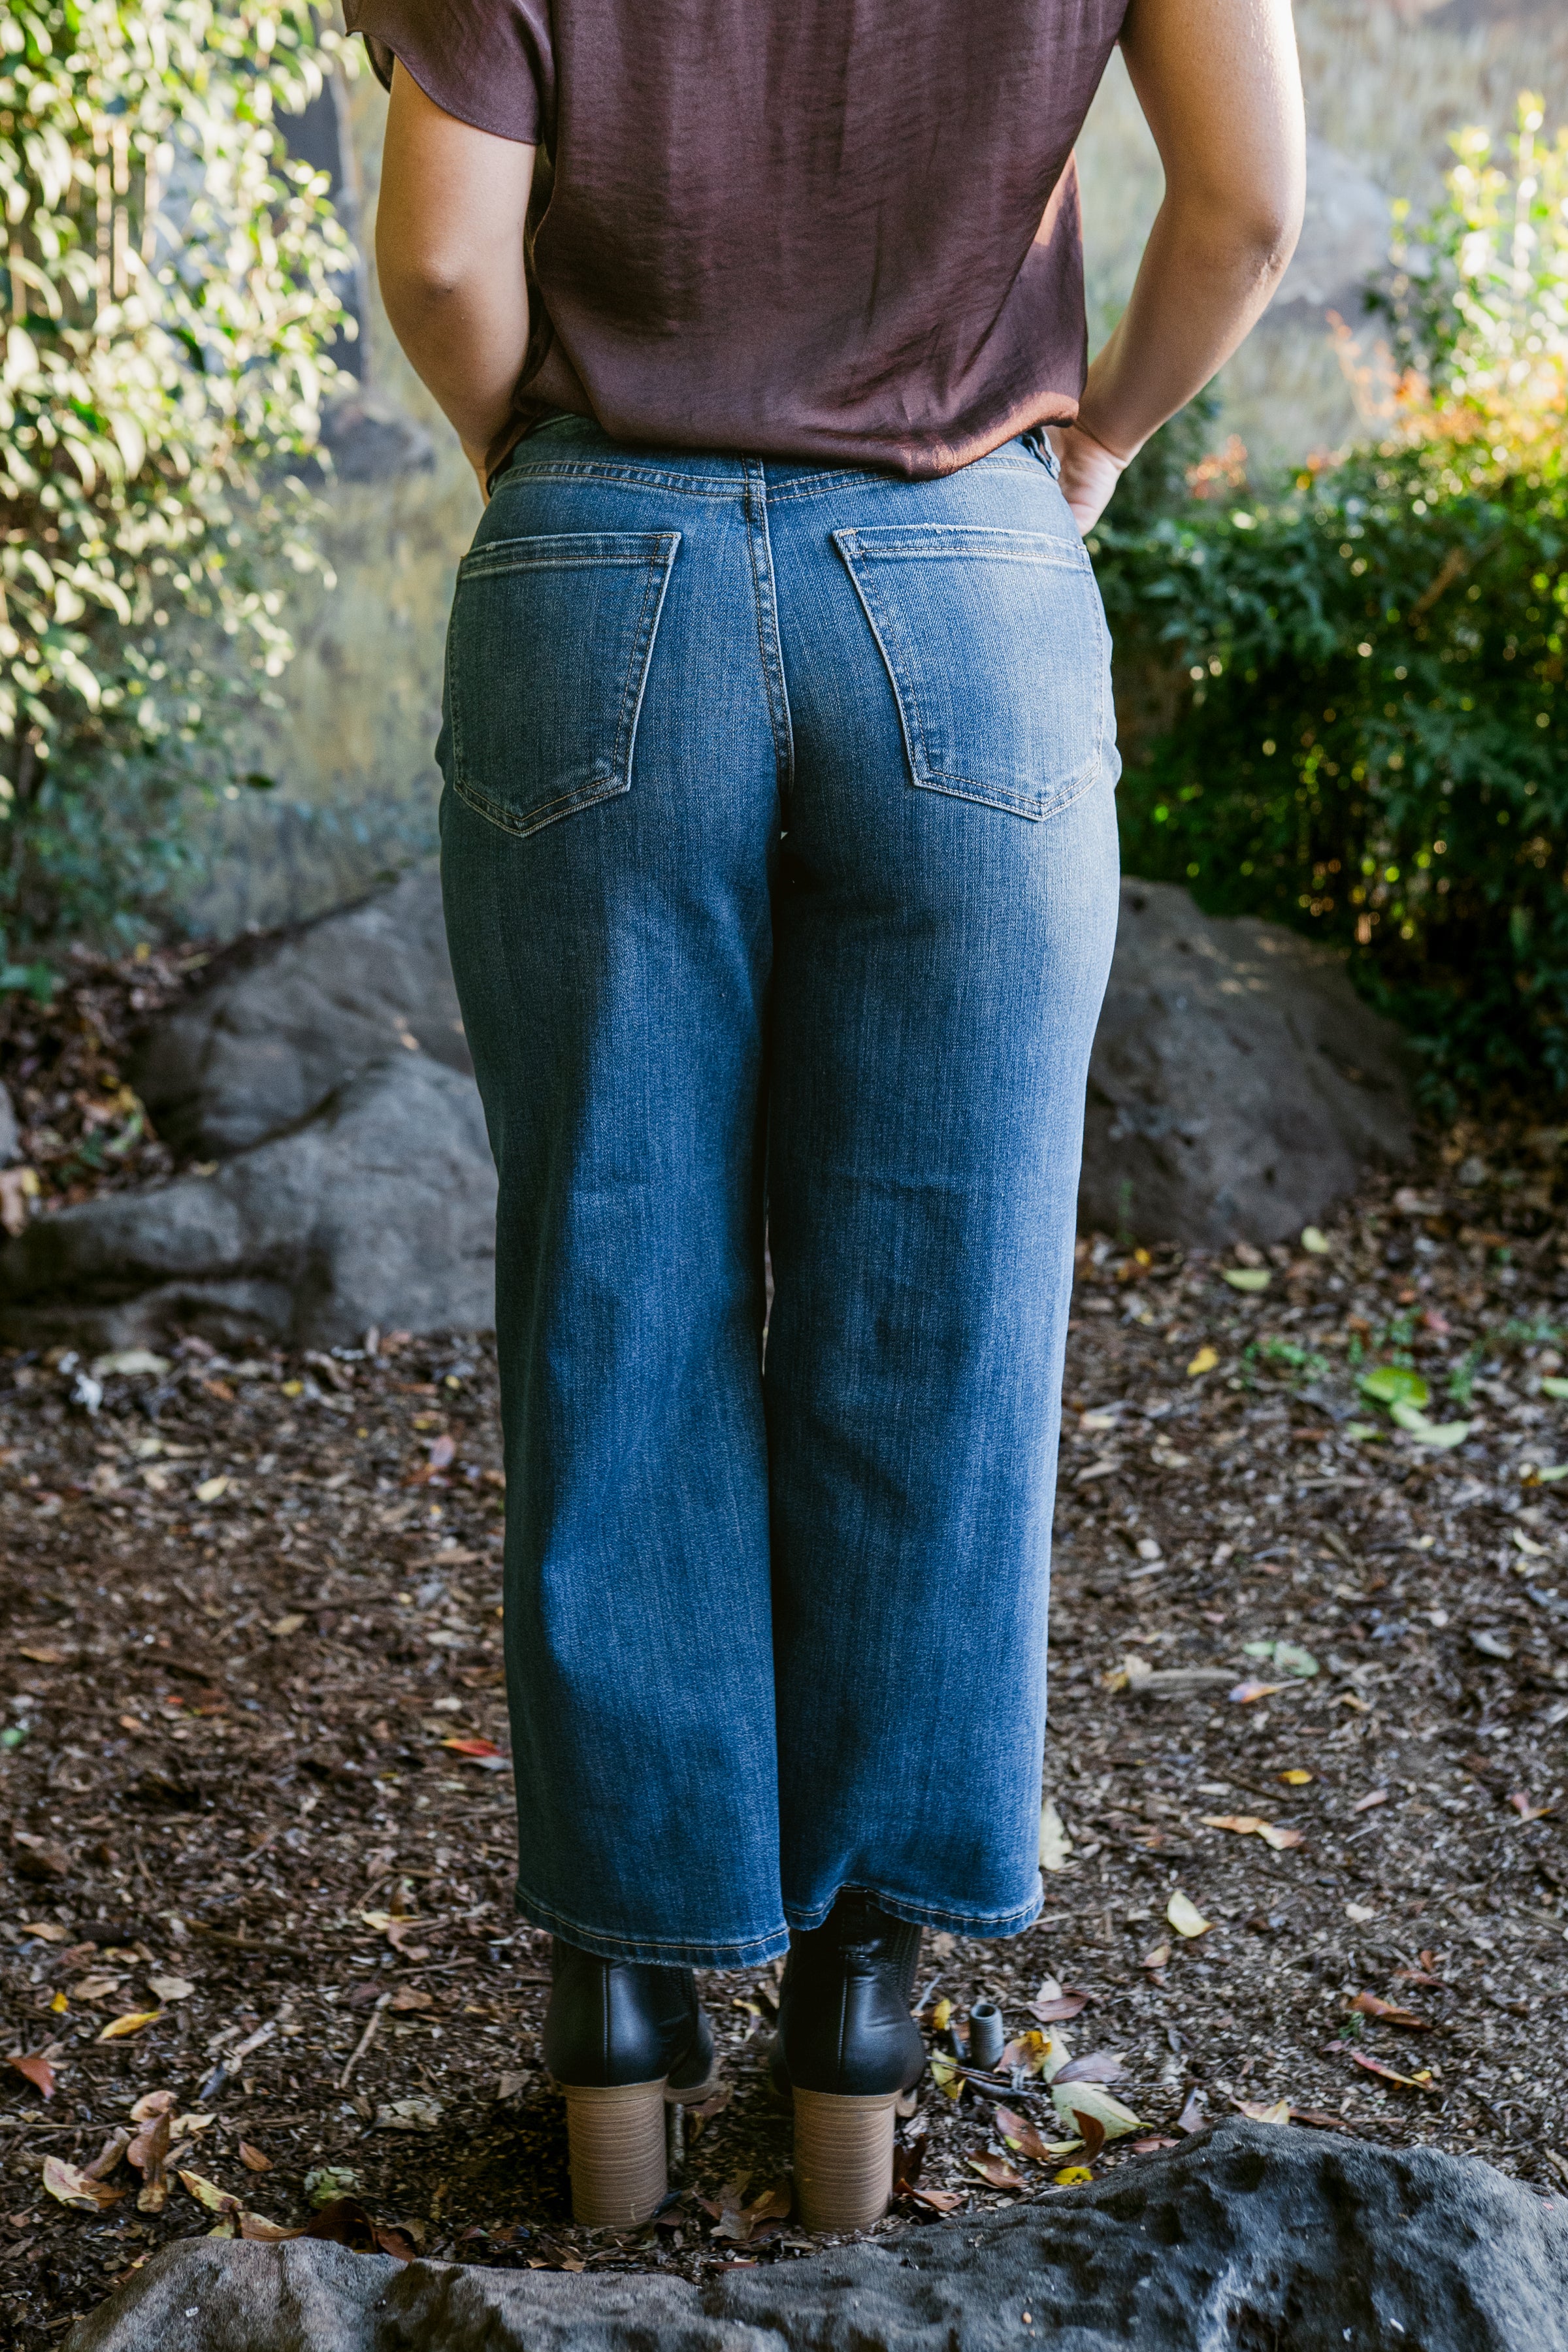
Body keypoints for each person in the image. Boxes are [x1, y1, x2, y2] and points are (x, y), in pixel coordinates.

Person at [349, 0, 1304, 2235]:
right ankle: (860, 1999)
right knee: (943, 1305)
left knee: (612, 1278)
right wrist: (1099, 439)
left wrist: (542, 470)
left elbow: (443, 254)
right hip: (967, 579)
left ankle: (620, 1996)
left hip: (602, 567)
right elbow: (1250, 207)